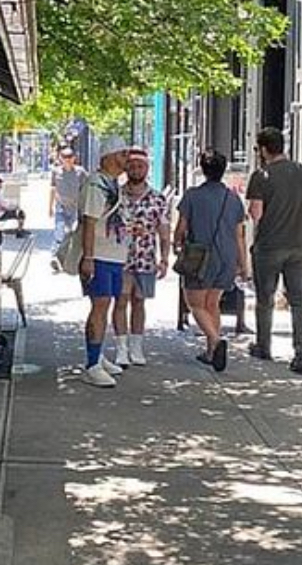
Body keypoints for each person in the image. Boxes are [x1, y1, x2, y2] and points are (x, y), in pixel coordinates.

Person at [246, 127, 302, 374]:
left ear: (264, 149)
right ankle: (300, 352)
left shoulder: (261, 176)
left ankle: (263, 345)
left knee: (265, 298)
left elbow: (256, 213)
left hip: (269, 245)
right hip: (298, 244)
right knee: (299, 300)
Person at [174, 148, 248, 373]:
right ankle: (210, 352)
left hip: (200, 257)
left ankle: (215, 341)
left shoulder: (192, 195)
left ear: (203, 169)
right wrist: (243, 263)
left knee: (195, 304)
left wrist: (177, 243)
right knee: (212, 303)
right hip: (227, 257)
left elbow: (181, 227)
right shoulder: (233, 198)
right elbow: (239, 235)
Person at [78, 136, 130, 387]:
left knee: (107, 304)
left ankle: (97, 355)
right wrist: (88, 257)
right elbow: (89, 222)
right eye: (122, 154)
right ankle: (91, 363)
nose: (126, 159)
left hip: (114, 254)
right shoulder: (96, 185)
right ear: (109, 157)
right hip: (99, 255)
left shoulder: (112, 184)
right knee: (100, 305)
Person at [115, 148, 171, 367]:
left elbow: (164, 231)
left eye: (140, 166)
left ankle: (136, 346)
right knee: (121, 300)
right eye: (132, 166)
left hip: (145, 257)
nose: (136, 170)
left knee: (139, 302)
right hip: (119, 257)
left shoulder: (157, 199)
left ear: (147, 169)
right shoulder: (116, 195)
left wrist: (164, 258)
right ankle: (121, 348)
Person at [50, 146, 87, 272]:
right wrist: (50, 207)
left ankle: (63, 257)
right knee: (60, 231)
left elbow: (86, 188)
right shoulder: (56, 172)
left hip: (76, 208)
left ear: (74, 158)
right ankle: (55, 257)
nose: (67, 159)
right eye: (65, 157)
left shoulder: (80, 172)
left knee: (71, 232)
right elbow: (53, 189)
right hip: (61, 207)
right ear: (60, 158)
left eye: (70, 157)